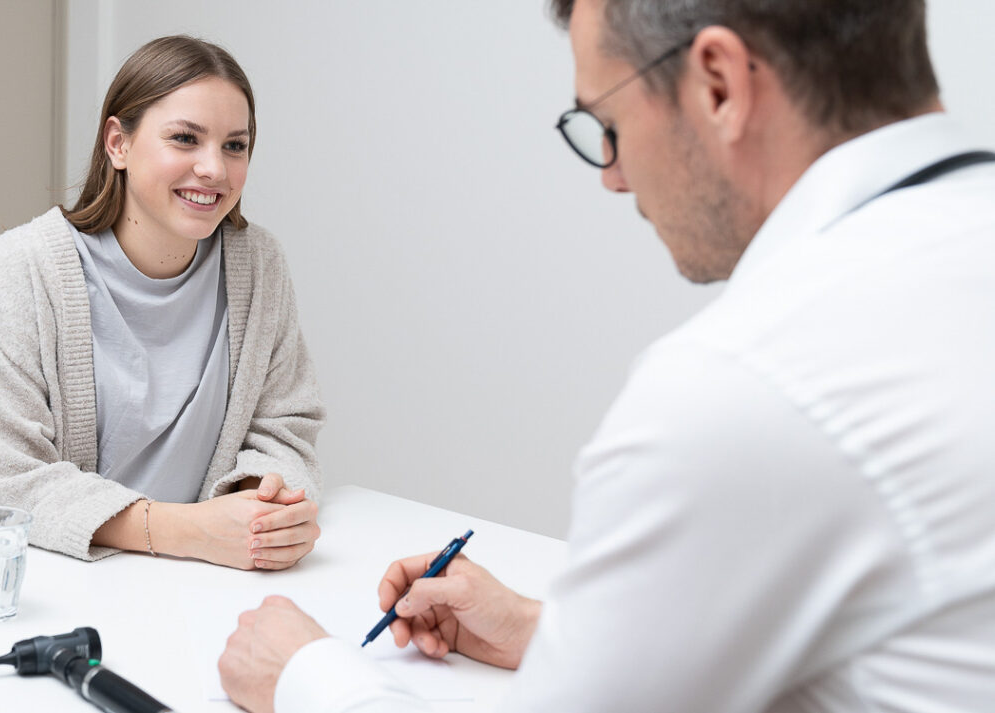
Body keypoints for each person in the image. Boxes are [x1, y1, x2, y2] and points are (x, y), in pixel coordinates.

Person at [217, 0, 995, 710]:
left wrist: (303, 674)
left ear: (719, 83)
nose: (614, 178)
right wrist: (544, 633)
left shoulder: (748, 382)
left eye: (608, 125)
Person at [0, 35, 323, 571]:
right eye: (186, 138)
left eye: (236, 145)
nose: (215, 168)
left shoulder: (258, 265)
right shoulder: (21, 267)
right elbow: (5, 476)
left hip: (199, 581)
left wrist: (262, 510)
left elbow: (285, 424)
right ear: (118, 143)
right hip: (40, 581)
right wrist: (192, 531)